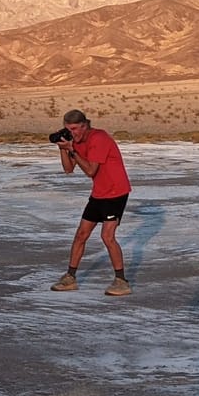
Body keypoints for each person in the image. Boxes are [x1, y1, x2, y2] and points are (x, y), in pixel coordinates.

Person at [50, 109, 132, 296]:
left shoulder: (98, 138)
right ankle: (70, 277)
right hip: (99, 193)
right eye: (68, 129)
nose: (73, 133)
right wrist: (62, 149)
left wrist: (72, 150)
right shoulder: (75, 142)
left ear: (85, 125)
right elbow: (68, 169)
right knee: (81, 234)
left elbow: (90, 171)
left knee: (107, 236)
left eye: (76, 129)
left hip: (115, 192)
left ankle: (121, 281)